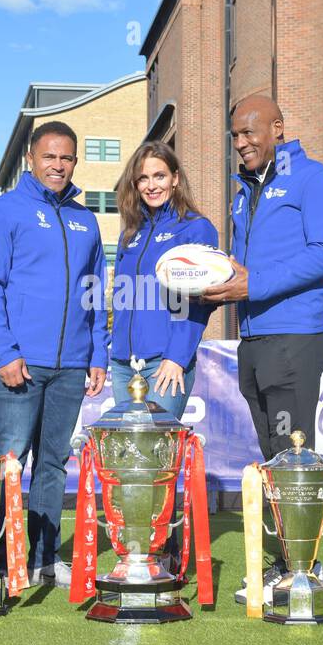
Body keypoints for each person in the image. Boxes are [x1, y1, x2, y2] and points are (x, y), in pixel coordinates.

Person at [200, 95, 323, 602]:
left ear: (278, 128)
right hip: (253, 335)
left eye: (249, 133)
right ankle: (287, 563)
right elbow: (240, 269)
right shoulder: (244, 192)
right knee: (271, 452)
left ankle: (304, 570)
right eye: (235, 136)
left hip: (296, 335)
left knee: (291, 451)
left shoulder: (315, 180)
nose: (241, 143)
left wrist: (253, 283)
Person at [0, 121, 108, 587]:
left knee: (51, 464)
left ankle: (45, 559)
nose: (58, 165)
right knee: (10, 460)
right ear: (32, 158)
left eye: (66, 158)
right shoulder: (1, 212)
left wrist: (98, 353)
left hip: (72, 366)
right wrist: (5, 351)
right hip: (20, 364)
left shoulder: (85, 220)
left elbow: (96, 292)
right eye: (50, 156)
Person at [108, 140, 217, 571]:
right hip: (124, 366)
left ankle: (163, 556)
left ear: (174, 178)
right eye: (143, 177)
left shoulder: (196, 228)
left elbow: (200, 300)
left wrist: (177, 355)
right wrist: (109, 352)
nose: (151, 185)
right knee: (128, 466)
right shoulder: (129, 233)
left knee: (157, 464)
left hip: (165, 363)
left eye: (159, 175)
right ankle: (133, 551)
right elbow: (120, 298)